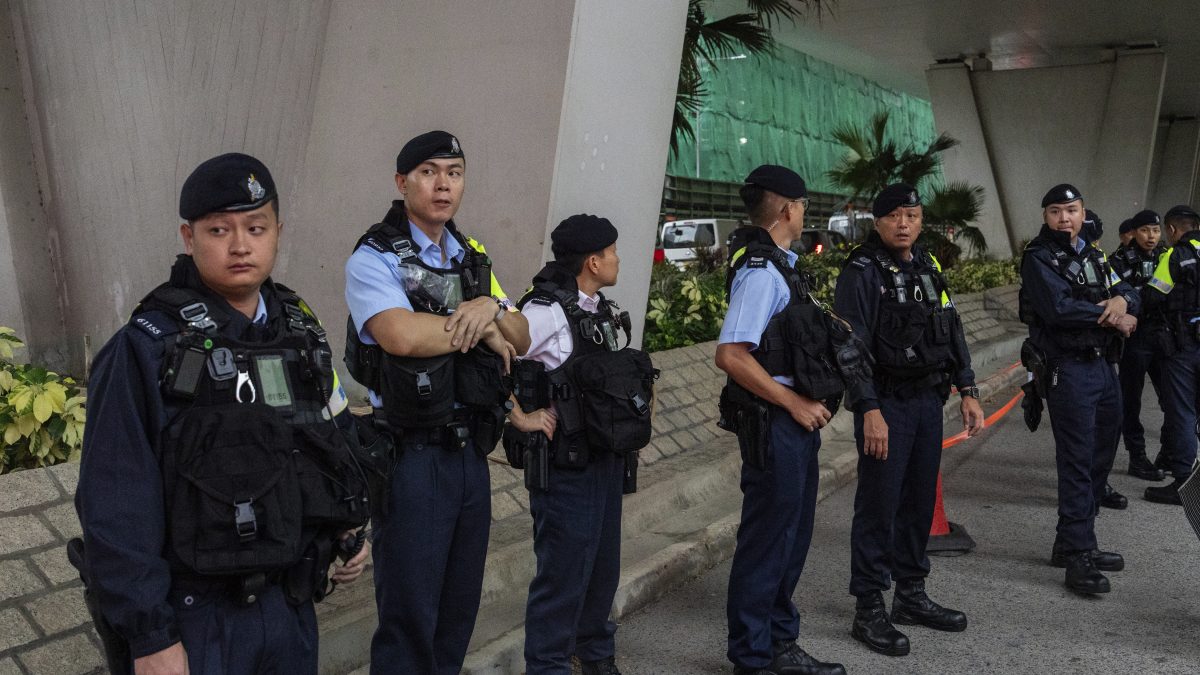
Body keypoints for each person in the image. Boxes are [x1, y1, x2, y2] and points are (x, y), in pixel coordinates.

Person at [74, 153, 374, 675]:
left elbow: (334, 435)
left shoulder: (299, 334)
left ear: (277, 231)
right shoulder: (146, 350)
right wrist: (151, 639)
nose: (240, 245)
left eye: (255, 227)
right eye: (219, 230)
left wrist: (349, 530)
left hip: (290, 609)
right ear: (189, 238)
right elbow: (115, 505)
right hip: (196, 622)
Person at [343, 130, 531, 673]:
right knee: (409, 621)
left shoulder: (471, 258)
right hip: (410, 457)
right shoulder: (374, 256)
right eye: (428, 171)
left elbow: (520, 335)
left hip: (470, 454)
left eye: (454, 171)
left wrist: (492, 314)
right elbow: (399, 335)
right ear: (402, 183)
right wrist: (481, 325)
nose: (443, 183)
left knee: (456, 613)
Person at [715, 164, 866, 675]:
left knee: (791, 538)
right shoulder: (760, 274)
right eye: (802, 206)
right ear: (786, 208)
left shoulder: (783, 266)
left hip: (792, 427)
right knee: (768, 541)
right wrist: (794, 405)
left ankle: (779, 643)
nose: (804, 214)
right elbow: (732, 355)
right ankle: (753, 657)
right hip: (776, 424)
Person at [832, 184, 983, 657]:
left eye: (912, 215)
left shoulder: (927, 265)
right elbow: (849, 345)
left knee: (918, 501)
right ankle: (869, 607)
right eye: (894, 215)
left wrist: (969, 389)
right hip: (887, 404)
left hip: (925, 402)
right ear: (876, 221)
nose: (904, 223)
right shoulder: (861, 270)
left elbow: (951, 328)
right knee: (879, 504)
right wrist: (868, 407)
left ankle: (911, 595)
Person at [504, 214, 655, 675]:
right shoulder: (544, 312)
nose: (617, 259)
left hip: (604, 461)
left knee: (601, 572)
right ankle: (548, 665)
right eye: (612, 252)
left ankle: (595, 659)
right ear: (593, 260)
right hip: (566, 469)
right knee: (563, 578)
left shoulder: (595, 307)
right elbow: (494, 360)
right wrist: (520, 417)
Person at [1018, 184, 1139, 595]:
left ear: (1083, 212)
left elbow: (1129, 288)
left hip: (1104, 367)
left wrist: (1122, 302)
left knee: (1101, 456)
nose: (1064, 218)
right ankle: (1078, 555)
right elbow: (1059, 309)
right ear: (1046, 216)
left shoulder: (1094, 253)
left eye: (1071, 210)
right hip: (1068, 370)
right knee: (1077, 458)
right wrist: (1114, 316)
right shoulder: (1038, 258)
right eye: (1055, 211)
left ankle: (1073, 539)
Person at [1142, 204, 1200, 504]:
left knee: (1182, 413)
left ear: (1173, 230)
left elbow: (1154, 296)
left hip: (1183, 346)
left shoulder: (1175, 255)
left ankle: (1182, 483)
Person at [1110, 210, 1168, 483]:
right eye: (1145, 230)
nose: (1152, 236)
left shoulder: (1168, 256)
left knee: (1172, 398)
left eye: (1155, 231)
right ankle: (1137, 456)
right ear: (1133, 233)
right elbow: (1114, 294)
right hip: (1134, 338)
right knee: (1130, 401)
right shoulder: (1119, 260)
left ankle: (1168, 452)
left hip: (1164, 337)